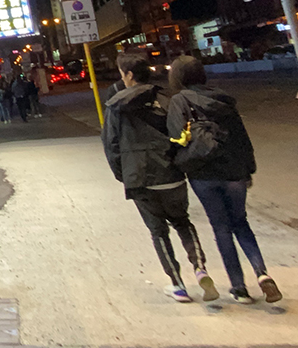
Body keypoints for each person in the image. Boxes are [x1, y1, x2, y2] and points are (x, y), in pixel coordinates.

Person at [167, 56, 282, 304]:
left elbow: (176, 136)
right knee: (241, 223)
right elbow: (242, 138)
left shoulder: (180, 100)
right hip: (235, 173)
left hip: (203, 174)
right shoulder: (224, 99)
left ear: (178, 76)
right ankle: (262, 274)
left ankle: (239, 289)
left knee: (221, 228)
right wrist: (248, 170)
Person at [103, 54, 217, 303]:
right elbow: (182, 133)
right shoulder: (167, 99)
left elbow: (110, 145)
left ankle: (178, 285)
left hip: (140, 177)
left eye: (122, 73)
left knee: (158, 232)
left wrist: (123, 175)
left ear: (129, 76)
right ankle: (200, 269)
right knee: (183, 222)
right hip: (171, 173)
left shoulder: (115, 106)